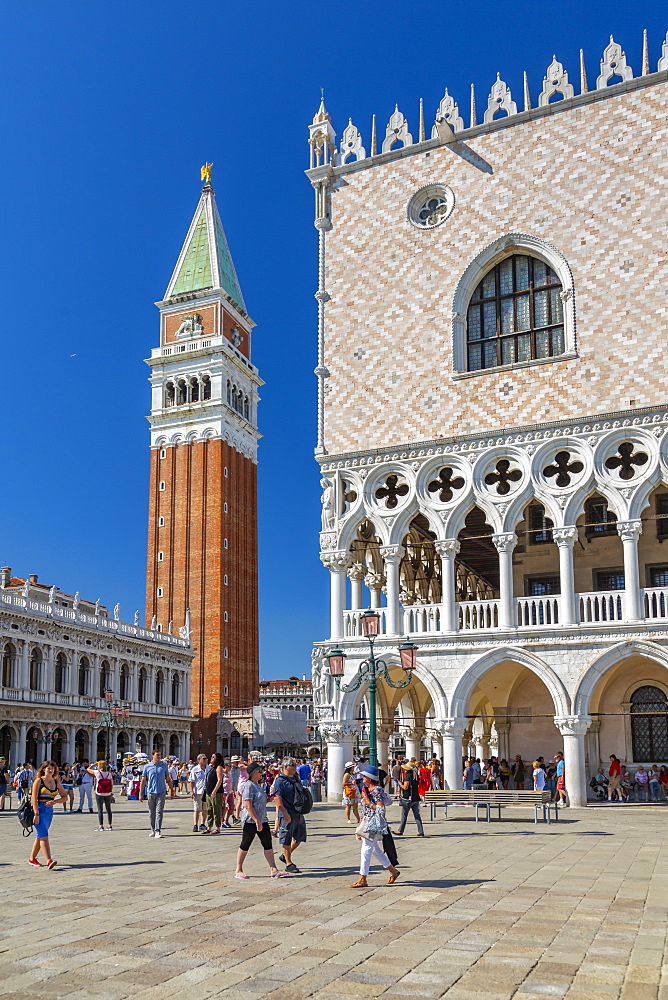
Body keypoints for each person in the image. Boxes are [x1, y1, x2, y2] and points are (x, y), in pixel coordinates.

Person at [349, 765, 400, 889]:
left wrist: (369, 803)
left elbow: (381, 808)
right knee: (374, 849)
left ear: (370, 778)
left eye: (365, 776)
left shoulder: (377, 790)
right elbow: (364, 809)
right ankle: (393, 871)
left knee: (366, 849)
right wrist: (360, 822)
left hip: (374, 822)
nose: (362, 778)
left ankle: (363, 878)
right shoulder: (367, 789)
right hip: (367, 821)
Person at [235, 762, 286, 879]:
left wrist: (268, 799)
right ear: (252, 773)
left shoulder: (257, 785)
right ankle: (239, 869)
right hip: (251, 821)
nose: (261, 773)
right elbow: (248, 805)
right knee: (246, 843)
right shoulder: (248, 785)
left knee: (267, 843)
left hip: (263, 819)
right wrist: (256, 820)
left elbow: (259, 800)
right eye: (259, 771)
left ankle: (273, 869)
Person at [29, 760, 68, 868]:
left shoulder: (56, 782)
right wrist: (36, 813)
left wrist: (55, 801)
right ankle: (49, 860)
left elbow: (65, 797)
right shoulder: (39, 781)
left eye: (52, 768)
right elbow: (34, 798)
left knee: (40, 835)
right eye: (48, 768)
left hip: (49, 811)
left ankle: (32, 859)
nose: (51, 770)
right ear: (43, 769)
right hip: (39, 809)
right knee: (44, 835)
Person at [273, 757, 307, 874]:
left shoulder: (296, 777)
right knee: (286, 838)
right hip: (287, 813)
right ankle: (288, 863)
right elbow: (277, 798)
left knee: (299, 838)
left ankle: (285, 855)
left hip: (298, 811)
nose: (295, 767)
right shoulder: (280, 781)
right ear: (285, 766)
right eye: (292, 765)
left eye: (295, 765)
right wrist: (284, 813)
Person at [139, 749, 174, 837]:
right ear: (153, 756)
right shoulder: (147, 766)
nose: (159, 756)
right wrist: (140, 793)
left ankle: (158, 830)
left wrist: (172, 790)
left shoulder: (164, 766)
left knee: (159, 811)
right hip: (150, 791)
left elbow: (168, 778)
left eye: (160, 755)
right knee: (152, 812)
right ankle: (153, 829)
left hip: (161, 791)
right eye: (157, 755)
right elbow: (143, 780)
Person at [393, 762, 425, 837]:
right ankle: (421, 831)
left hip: (408, 798)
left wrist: (400, 784)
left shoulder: (408, 776)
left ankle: (400, 830)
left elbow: (405, 787)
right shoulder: (415, 775)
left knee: (404, 815)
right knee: (417, 815)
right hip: (415, 798)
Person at [87, 759, 114, 831]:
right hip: (108, 793)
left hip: (99, 792)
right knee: (108, 809)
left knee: (100, 809)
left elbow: (88, 769)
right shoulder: (109, 774)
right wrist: (111, 791)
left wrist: (93, 765)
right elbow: (112, 784)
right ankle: (110, 825)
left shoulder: (97, 772)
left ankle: (101, 826)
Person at [202, 752, 225, 834]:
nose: (211, 758)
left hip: (216, 792)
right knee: (209, 810)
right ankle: (209, 827)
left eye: (213, 757)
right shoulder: (212, 768)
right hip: (209, 792)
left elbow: (219, 780)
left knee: (216, 810)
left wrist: (214, 791)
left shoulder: (219, 768)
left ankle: (218, 827)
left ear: (217, 759)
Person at [189, 753, 208, 832]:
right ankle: (195, 824)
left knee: (205, 809)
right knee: (197, 809)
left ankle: (202, 824)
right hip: (198, 791)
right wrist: (191, 791)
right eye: (203, 759)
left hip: (207, 791)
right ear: (199, 760)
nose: (205, 760)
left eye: (206, 758)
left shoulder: (209, 768)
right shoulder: (195, 769)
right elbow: (191, 781)